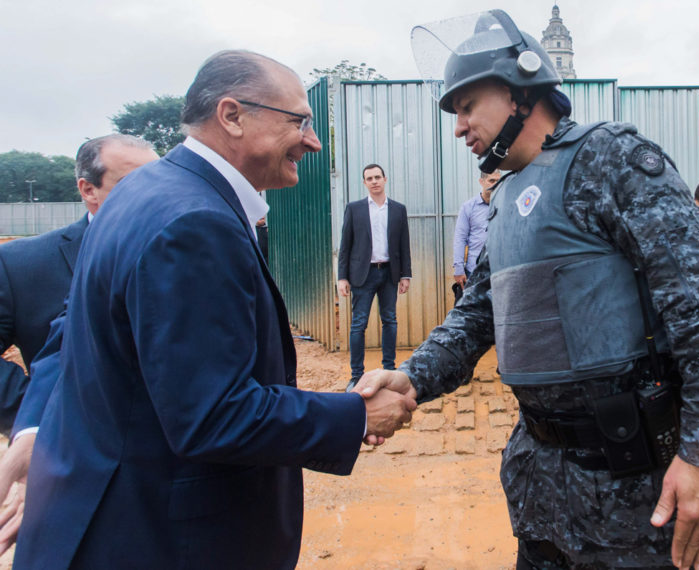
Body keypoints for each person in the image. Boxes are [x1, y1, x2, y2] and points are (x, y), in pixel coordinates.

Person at [360, 10, 699, 570]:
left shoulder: (611, 159)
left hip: (635, 498)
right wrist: (409, 377)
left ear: (519, 93)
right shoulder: (504, 199)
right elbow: (476, 315)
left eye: (465, 106)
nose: (457, 127)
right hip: (542, 491)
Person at [4, 50, 415, 569]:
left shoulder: (146, 195)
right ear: (232, 116)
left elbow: (70, 334)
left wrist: (35, 428)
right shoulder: (193, 222)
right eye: (300, 122)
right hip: (156, 541)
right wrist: (355, 415)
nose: (312, 141)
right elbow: (212, 414)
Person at [0, 134, 158, 435]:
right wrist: (40, 418)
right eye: (131, 183)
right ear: (88, 190)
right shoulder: (21, 263)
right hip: (77, 463)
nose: (152, 195)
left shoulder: (196, 252)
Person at [337, 164, 412, 391]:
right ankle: (356, 376)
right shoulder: (355, 208)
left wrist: (405, 274)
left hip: (389, 272)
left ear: (385, 179)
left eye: (377, 177)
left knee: (390, 320)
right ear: (364, 183)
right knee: (358, 325)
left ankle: (389, 370)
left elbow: (404, 244)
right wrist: (342, 277)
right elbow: (345, 245)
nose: (374, 181)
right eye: (369, 178)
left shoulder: (398, 209)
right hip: (362, 275)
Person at [452, 169, 501, 302]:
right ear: (481, 181)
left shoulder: (505, 205)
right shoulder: (468, 207)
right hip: (474, 273)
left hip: (500, 272)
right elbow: (460, 238)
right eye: (491, 180)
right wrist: (459, 269)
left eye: (498, 181)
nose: (495, 184)